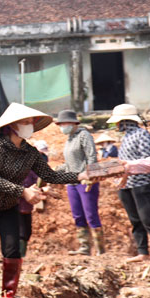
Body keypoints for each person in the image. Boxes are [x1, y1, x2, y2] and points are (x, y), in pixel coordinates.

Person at [0, 103, 80, 298]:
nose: (29, 126)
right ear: (12, 126)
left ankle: (8, 295)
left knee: (13, 250)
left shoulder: (30, 152)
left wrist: (81, 176)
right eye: (25, 123)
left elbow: (50, 175)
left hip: (8, 206)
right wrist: (23, 191)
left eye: (31, 123)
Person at [103, 103, 150, 263]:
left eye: (118, 122)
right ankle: (143, 252)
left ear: (125, 121)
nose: (117, 125)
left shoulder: (142, 135)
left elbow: (148, 159)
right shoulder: (125, 138)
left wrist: (130, 168)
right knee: (135, 219)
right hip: (126, 184)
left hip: (142, 183)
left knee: (147, 218)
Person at [54, 110, 102, 256]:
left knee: (90, 214)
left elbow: (91, 156)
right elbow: (69, 163)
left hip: (85, 180)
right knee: (78, 215)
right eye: (61, 124)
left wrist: (90, 176)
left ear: (74, 123)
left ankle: (100, 249)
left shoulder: (84, 135)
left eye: (64, 123)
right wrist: (56, 170)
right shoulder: (69, 139)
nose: (62, 126)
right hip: (72, 182)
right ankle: (84, 247)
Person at [17, 140, 49, 258]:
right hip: (17, 203)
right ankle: (17, 256)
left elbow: (39, 181)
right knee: (20, 232)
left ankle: (21, 256)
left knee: (26, 232)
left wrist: (43, 189)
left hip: (27, 204)